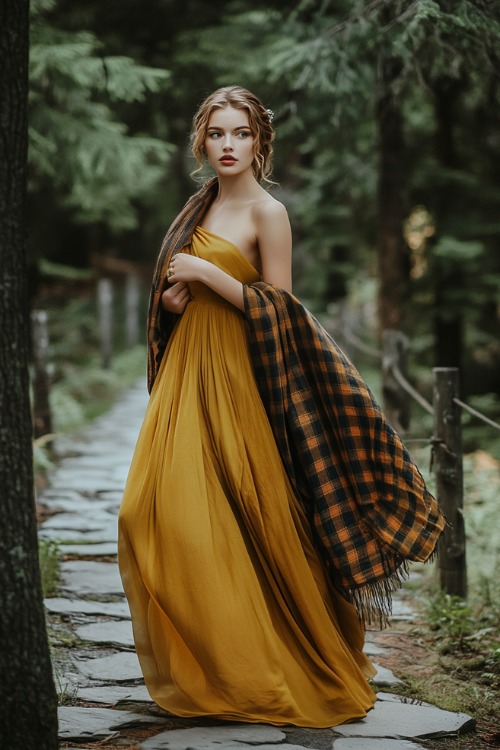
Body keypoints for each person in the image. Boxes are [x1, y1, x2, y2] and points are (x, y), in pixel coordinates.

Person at [118, 86, 445, 727]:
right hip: (189, 375)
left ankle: (267, 668)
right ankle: (220, 662)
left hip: (243, 380)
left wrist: (213, 277)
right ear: (201, 142)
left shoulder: (270, 213)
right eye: (217, 134)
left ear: (259, 142)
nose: (229, 145)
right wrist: (172, 301)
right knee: (145, 515)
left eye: (240, 133)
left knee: (250, 521)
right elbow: (176, 294)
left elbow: (281, 312)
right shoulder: (198, 207)